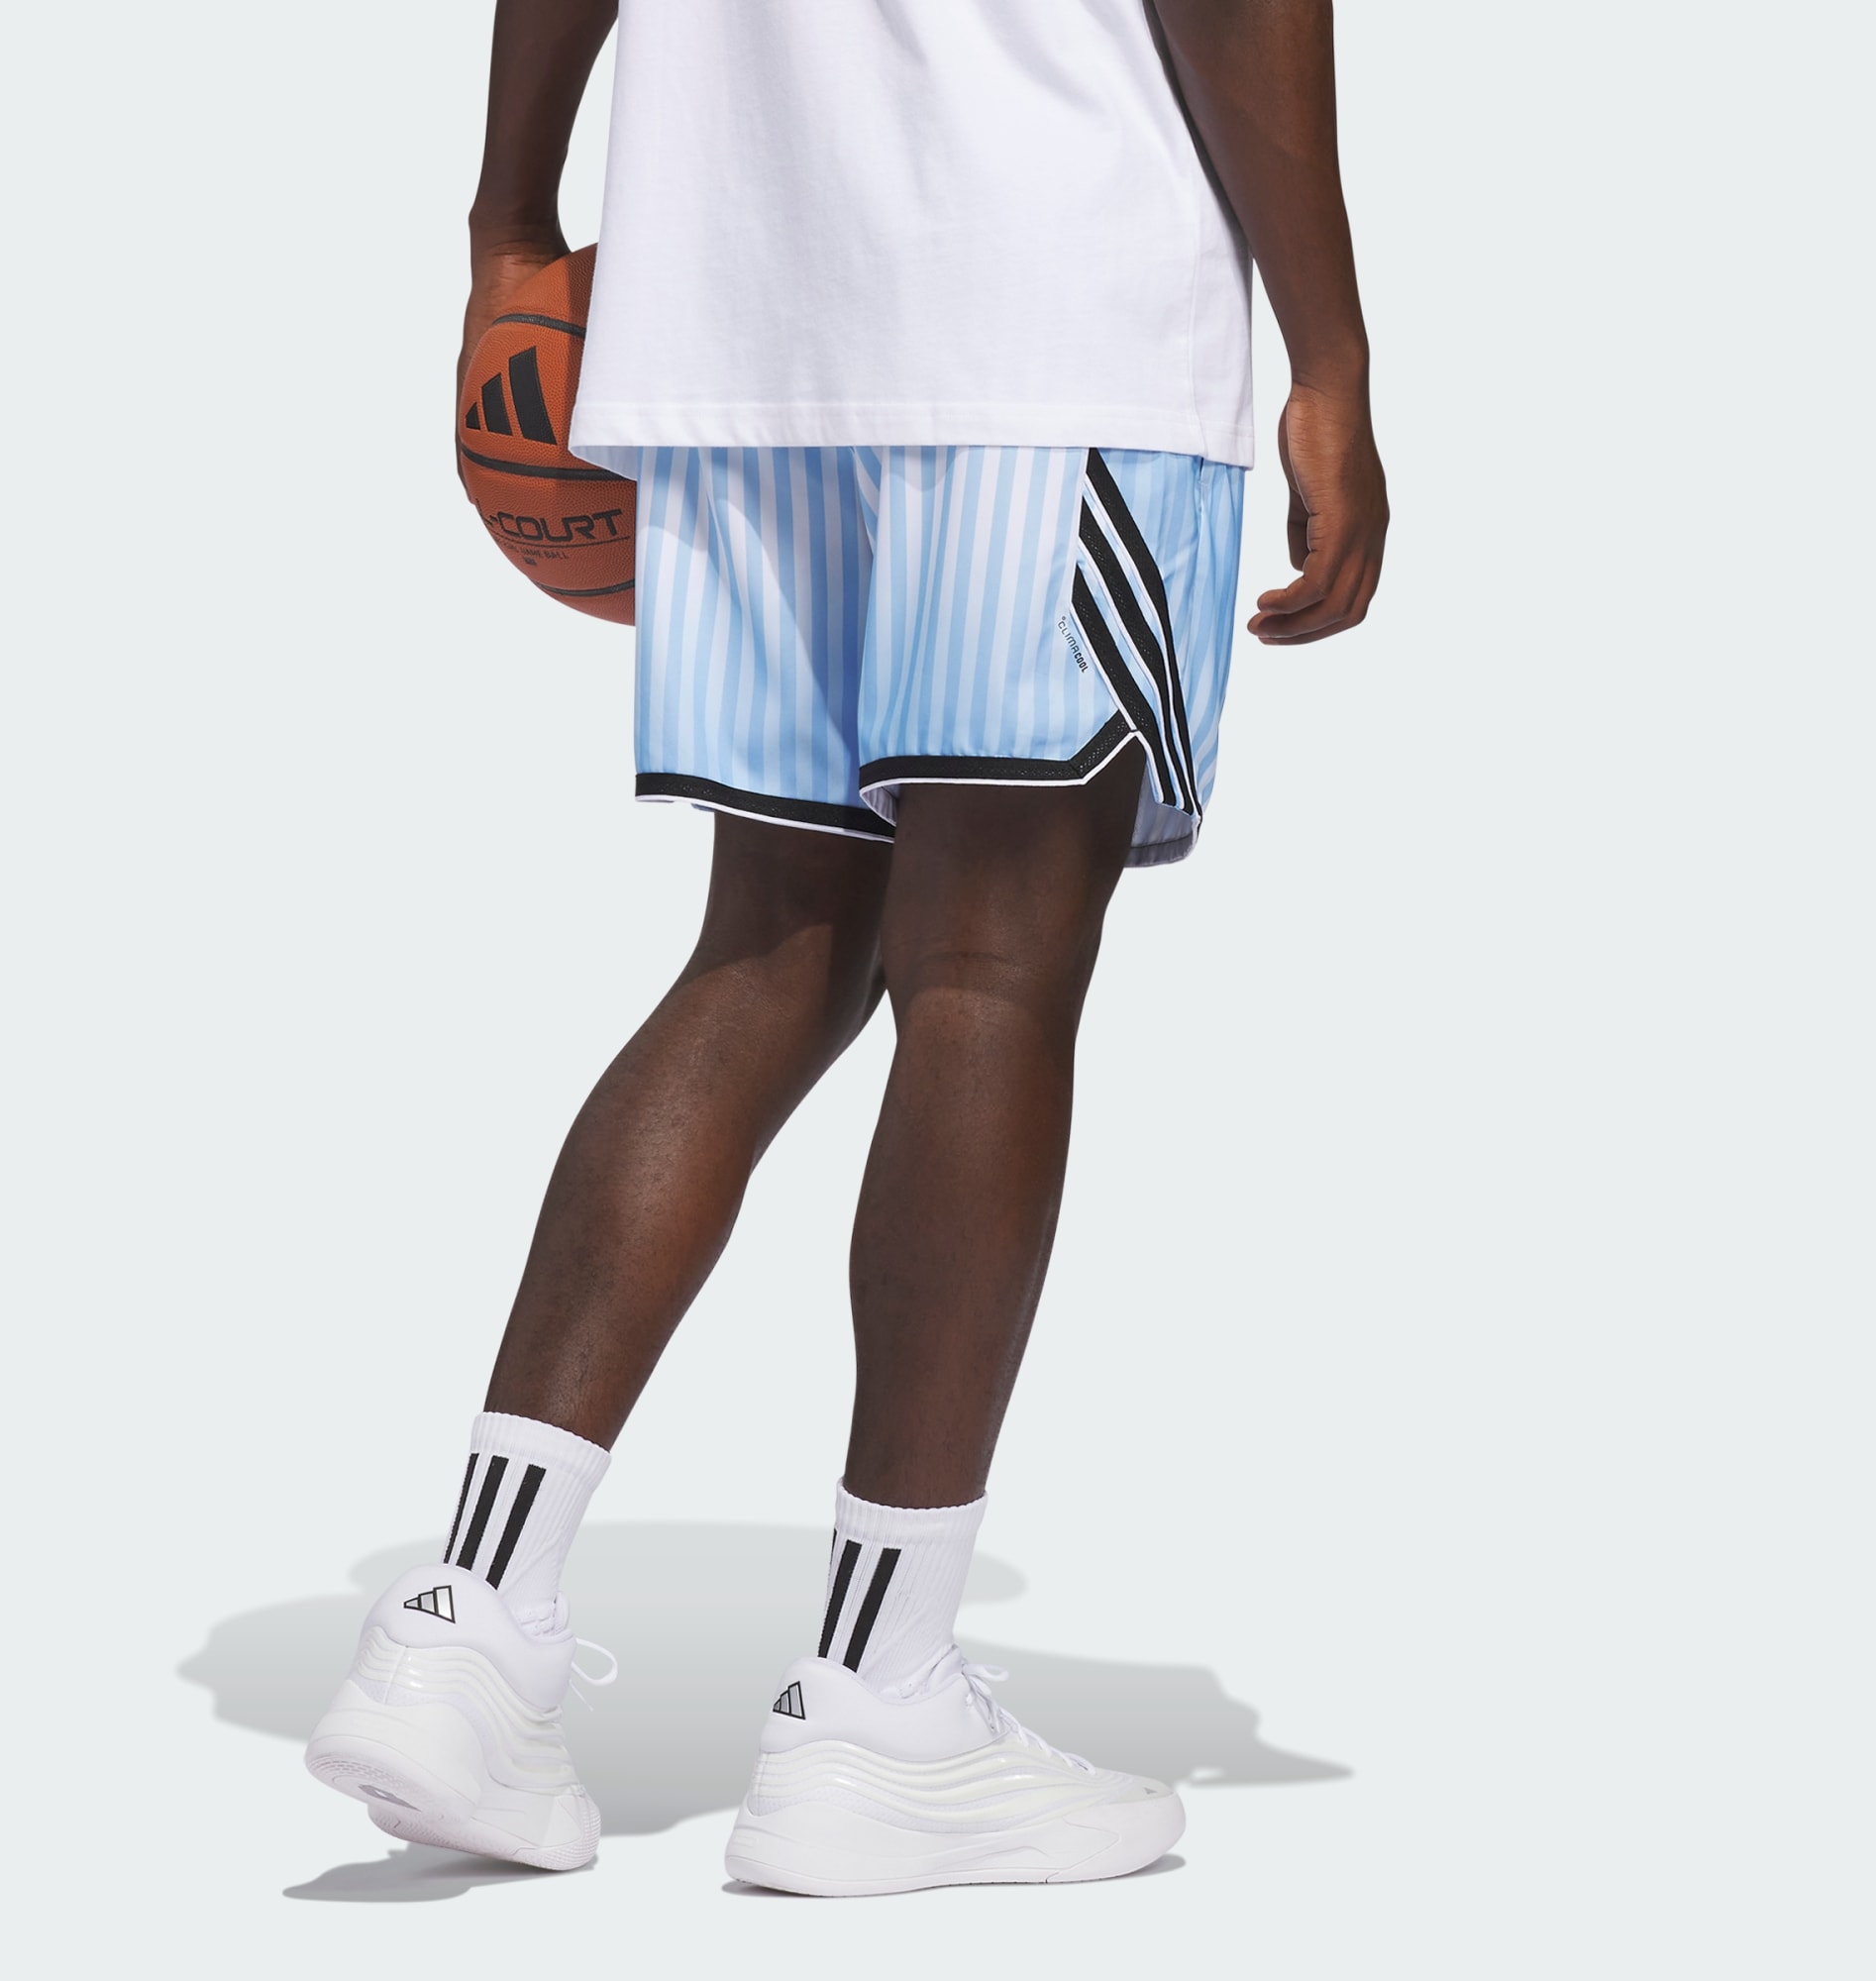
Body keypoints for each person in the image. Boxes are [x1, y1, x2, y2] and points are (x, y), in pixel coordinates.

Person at [305, 0, 1386, 1896]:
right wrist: (1334, 349)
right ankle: (881, 1708)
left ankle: (465, 1624)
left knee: (766, 953)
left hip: (735, 311)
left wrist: (509, 219)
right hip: (1045, 301)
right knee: (989, 977)